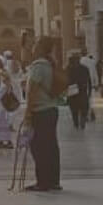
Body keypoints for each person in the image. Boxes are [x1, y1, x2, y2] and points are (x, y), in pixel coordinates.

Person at [22, 37, 61, 192]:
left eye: (36, 44)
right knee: (51, 146)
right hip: (51, 109)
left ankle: (43, 182)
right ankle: (53, 181)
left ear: (40, 48)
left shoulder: (38, 66)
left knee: (38, 147)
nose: (33, 46)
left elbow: (32, 91)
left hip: (41, 111)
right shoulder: (51, 64)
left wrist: (28, 114)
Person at [66, 51, 93, 131]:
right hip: (81, 91)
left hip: (73, 91)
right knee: (82, 107)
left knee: (75, 108)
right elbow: (89, 81)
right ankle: (81, 121)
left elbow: (65, 80)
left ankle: (77, 123)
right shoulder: (84, 68)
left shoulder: (69, 68)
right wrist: (90, 91)